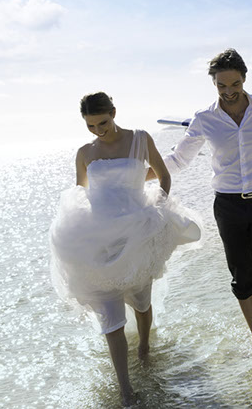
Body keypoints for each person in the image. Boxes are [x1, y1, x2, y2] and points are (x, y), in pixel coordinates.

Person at [49, 92, 200, 406]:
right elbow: (80, 194)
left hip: (136, 232)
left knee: (141, 303)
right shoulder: (85, 152)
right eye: (91, 126)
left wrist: (158, 208)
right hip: (98, 238)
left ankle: (144, 347)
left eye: (103, 122)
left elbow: (163, 175)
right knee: (111, 316)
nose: (98, 130)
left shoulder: (140, 140)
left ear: (114, 113)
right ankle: (125, 390)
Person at [163, 48, 252, 375]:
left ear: (244, 78)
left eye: (235, 84)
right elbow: (179, 159)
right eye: (221, 85)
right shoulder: (205, 118)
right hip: (228, 207)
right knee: (242, 277)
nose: (229, 91)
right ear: (213, 83)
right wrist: (137, 175)